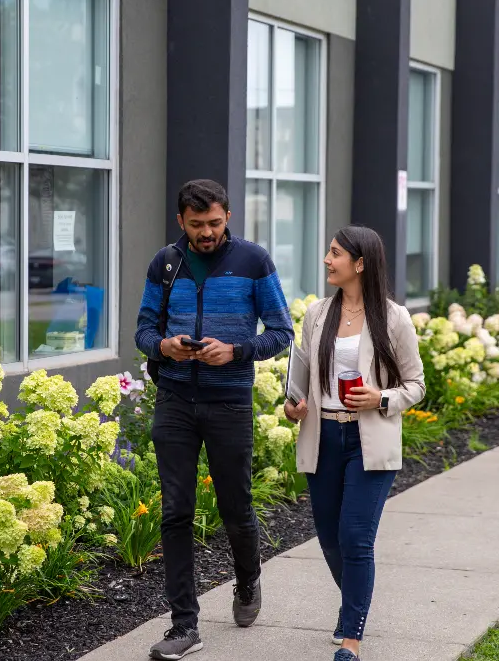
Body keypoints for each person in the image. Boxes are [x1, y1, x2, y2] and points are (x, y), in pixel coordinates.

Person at [135, 179, 294, 660]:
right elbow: (144, 329)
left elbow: (282, 331)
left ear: (228, 218)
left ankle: (248, 581)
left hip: (229, 403)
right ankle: (185, 625)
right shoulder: (165, 263)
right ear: (180, 220)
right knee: (176, 511)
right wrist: (163, 346)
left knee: (235, 508)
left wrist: (237, 351)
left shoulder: (253, 261)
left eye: (216, 223)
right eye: (198, 224)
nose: (207, 233)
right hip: (176, 401)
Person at [284, 225, 425, 661]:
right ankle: (354, 607)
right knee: (328, 537)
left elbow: (416, 384)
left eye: (335, 253)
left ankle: (351, 638)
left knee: (355, 537)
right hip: (323, 435)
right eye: (328, 252)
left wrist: (380, 397)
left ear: (360, 263)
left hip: (369, 439)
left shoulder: (394, 317)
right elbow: (302, 376)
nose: (327, 260)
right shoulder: (317, 315)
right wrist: (294, 404)